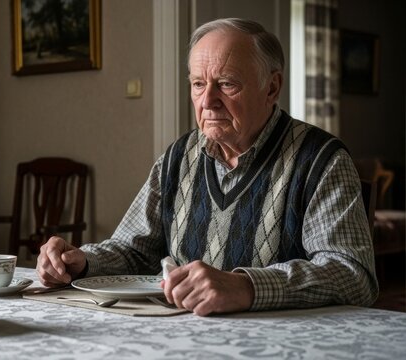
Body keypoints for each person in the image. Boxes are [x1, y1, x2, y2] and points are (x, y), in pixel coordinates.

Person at [36, 18, 378, 316]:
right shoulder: (179, 156)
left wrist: (247, 288)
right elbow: (135, 248)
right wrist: (82, 261)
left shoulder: (321, 160)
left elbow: (353, 275)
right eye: (198, 84)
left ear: (272, 87)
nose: (208, 101)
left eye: (227, 84)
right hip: (182, 334)